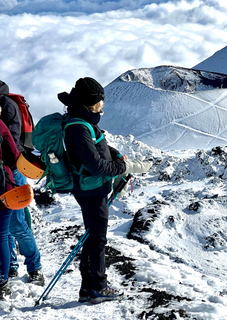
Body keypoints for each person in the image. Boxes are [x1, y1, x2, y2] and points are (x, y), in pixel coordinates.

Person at [58, 77, 151, 303]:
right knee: (97, 240)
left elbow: (98, 145)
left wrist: (116, 154)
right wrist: (121, 166)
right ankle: (97, 287)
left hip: (91, 188)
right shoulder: (78, 126)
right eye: (100, 100)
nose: (103, 104)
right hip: (90, 190)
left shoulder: (83, 119)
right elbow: (95, 165)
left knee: (92, 238)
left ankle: (88, 288)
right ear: (91, 102)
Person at [0, 80, 43, 286]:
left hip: (13, 170)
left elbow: (12, 142)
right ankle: (11, 266)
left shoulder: (7, 105)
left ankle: (35, 267)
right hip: (4, 170)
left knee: (16, 223)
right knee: (4, 224)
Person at [0, 113, 21, 299]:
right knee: (2, 234)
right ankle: (2, 281)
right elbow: (14, 156)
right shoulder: (0, 125)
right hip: (2, 186)